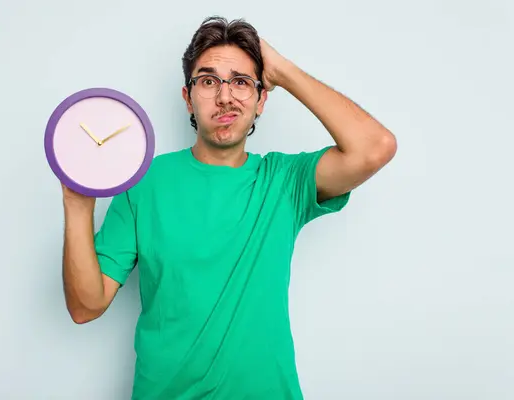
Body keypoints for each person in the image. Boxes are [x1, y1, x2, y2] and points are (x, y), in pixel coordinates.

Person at [61, 16, 397, 400]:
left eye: (241, 82)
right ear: (188, 97)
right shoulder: (143, 181)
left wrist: (282, 71)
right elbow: (85, 306)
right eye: (208, 81)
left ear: (261, 99)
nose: (225, 97)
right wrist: (76, 202)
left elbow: (376, 147)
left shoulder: (283, 180)